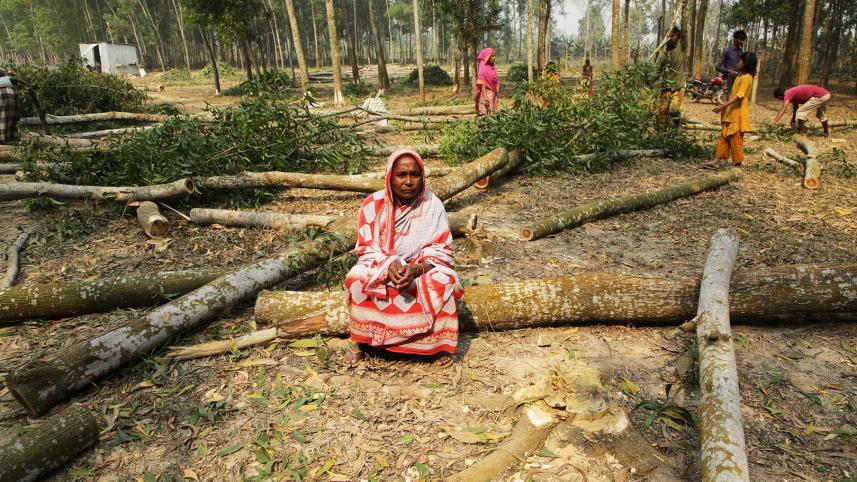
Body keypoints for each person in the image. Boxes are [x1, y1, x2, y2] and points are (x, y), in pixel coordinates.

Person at [343, 150, 463, 366]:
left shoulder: (432, 204)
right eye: (401, 175)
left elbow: (441, 250)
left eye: (414, 175)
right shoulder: (372, 205)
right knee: (356, 277)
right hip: (382, 267)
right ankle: (363, 342)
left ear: (422, 177)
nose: (408, 181)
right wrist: (389, 266)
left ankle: (437, 345)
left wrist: (415, 270)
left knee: (446, 281)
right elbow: (366, 249)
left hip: (420, 269)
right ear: (390, 176)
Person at [704, 52, 757, 170]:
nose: (737, 63)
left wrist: (722, 106)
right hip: (730, 111)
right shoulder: (739, 76)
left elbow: (739, 96)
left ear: (746, 63)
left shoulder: (747, 78)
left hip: (738, 113)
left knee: (735, 138)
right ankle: (717, 161)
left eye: (740, 61)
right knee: (723, 136)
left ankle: (737, 164)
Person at [655, 25, 688, 129]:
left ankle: (676, 131)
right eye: (668, 35)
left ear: (678, 37)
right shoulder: (663, 54)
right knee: (662, 114)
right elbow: (657, 71)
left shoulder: (681, 49)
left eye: (672, 35)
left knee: (674, 111)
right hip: (665, 88)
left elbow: (685, 31)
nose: (670, 37)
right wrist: (648, 80)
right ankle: (662, 137)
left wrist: (684, 13)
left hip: (678, 87)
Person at [0, 69, 33, 144]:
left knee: (2, 117)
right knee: (11, 117)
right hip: (11, 94)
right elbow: (18, 80)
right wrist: (31, 85)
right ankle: (10, 138)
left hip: (1, 94)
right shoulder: (7, 78)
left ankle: (2, 140)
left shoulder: (5, 78)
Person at [715, 30, 747, 95]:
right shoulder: (727, 51)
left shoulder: (742, 53)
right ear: (735, 39)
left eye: (743, 40)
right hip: (729, 80)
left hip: (740, 79)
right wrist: (729, 71)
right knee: (730, 98)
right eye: (740, 40)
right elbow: (717, 67)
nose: (742, 42)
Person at [475, 48, 499, 115]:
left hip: (493, 94)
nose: (494, 58)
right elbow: (482, 83)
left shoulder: (492, 67)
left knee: (493, 116)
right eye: (492, 56)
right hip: (486, 95)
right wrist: (485, 98)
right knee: (486, 116)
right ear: (487, 56)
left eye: (495, 56)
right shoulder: (483, 68)